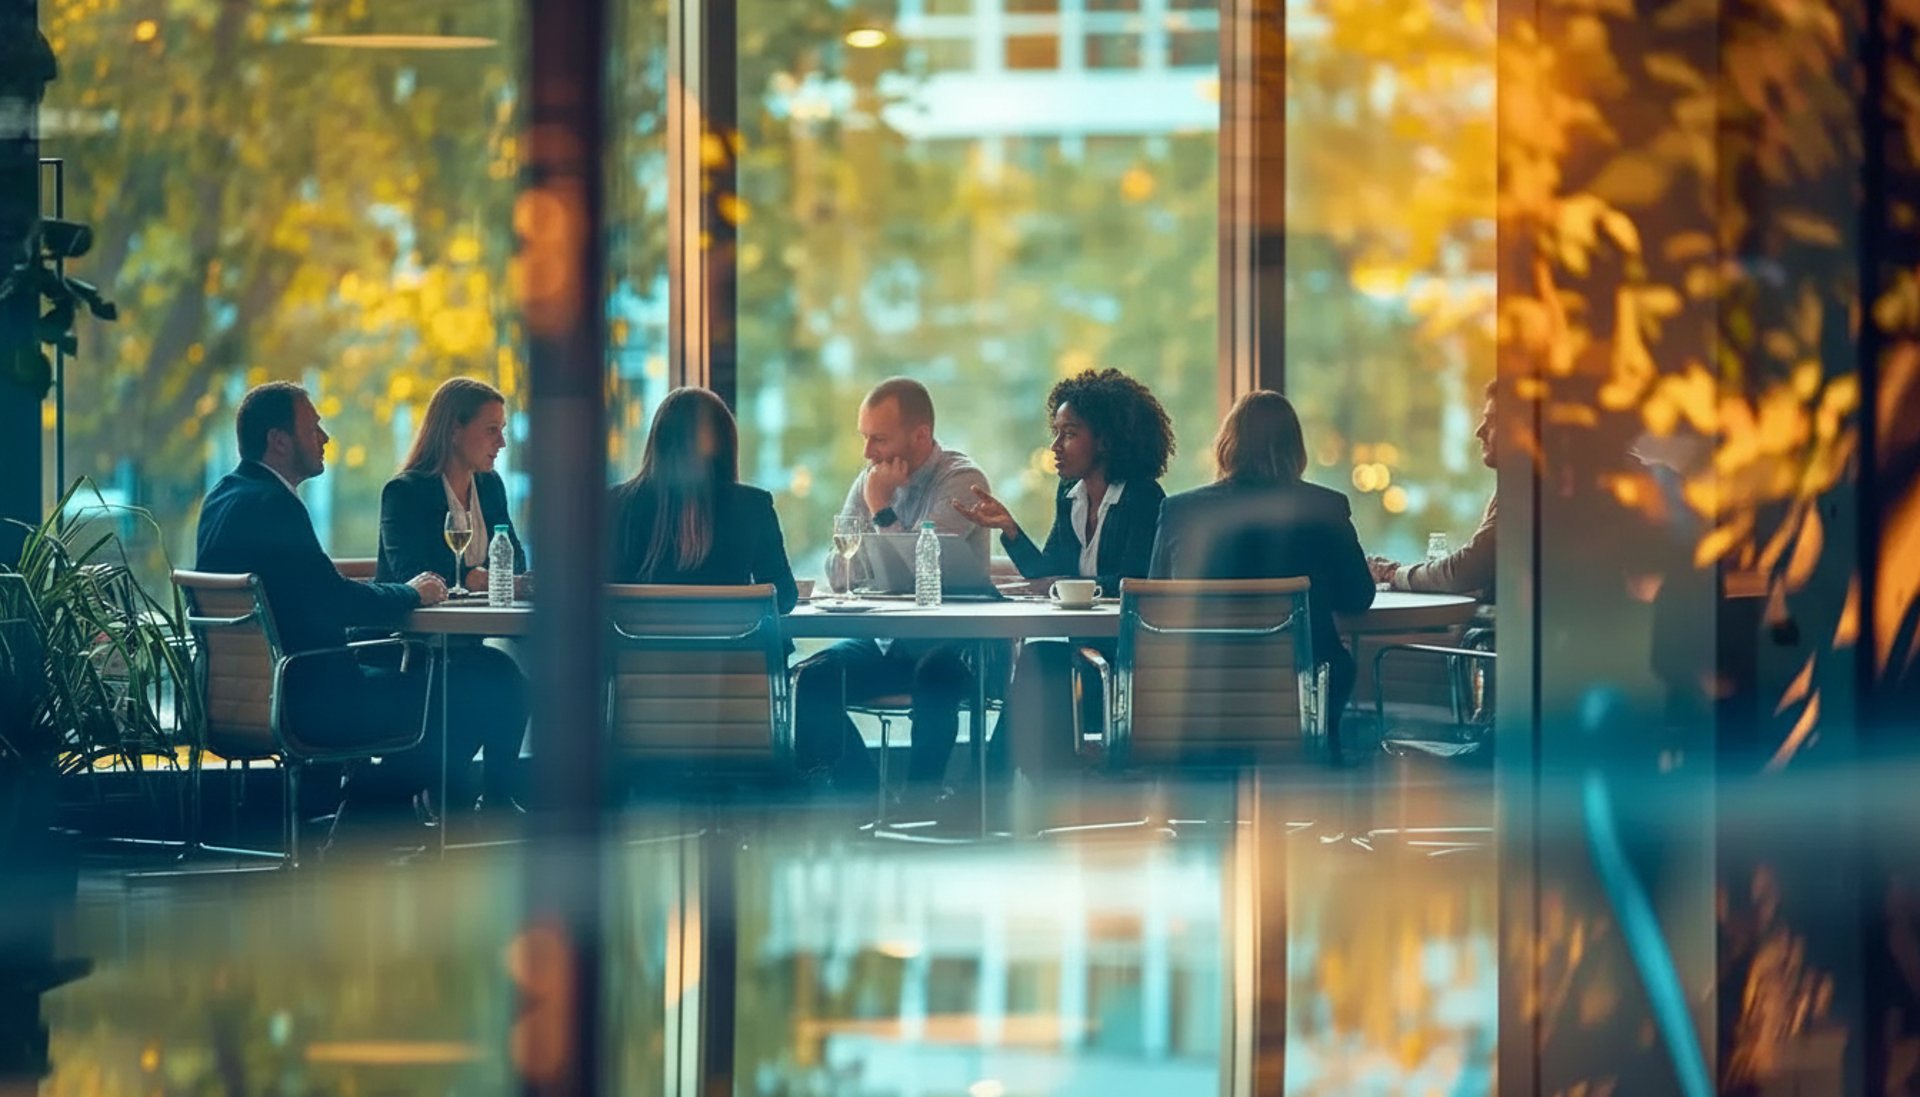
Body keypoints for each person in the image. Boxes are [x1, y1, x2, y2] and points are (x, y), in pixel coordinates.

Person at [196, 382, 449, 827]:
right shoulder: (274, 507)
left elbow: (308, 593)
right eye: (313, 428)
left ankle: (364, 821)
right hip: (312, 699)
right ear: (278, 440)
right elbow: (335, 601)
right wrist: (412, 592)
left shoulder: (224, 497)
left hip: (245, 698)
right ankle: (362, 822)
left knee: (430, 678)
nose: (325, 438)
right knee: (459, 694)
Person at [955, 368, 1174, 775]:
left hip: (1125, 662)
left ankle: (989, 788)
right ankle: (997, 785)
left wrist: (1062, 585)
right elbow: (1049, 572)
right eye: (1056, 432)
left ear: (1106, 440)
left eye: (1069, 434)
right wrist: (1011, 529)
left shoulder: (1144, 498)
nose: (1055, 446)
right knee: (1037, 662)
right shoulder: (1069, 495)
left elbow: (1134, 582)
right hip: (1084, 654)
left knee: (1039, 662)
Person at [791, 377, 993, 797]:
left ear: (920, 436)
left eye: (878, 439)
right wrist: (873, 511)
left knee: (935, 675)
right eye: (865, 438)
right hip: (887, 644)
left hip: (952, 646)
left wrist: (880, 509)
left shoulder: (961, 480)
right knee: (810, 682)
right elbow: (839, 571)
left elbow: (921, 573)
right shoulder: (870, 480)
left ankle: (920, 804)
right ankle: (866, 799)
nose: (867, 453)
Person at [1148, 390, 1376, 731]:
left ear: (1227, 444)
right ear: (1296, 449)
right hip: (1302, 694)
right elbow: (1358, 596)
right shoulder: (1326, 507)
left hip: (1201, 694)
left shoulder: (1181, 511)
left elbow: (1157, 603)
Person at [376, 376, 531, 815]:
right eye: (491, 429)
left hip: (462, 645)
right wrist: (481, 578)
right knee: (502, 682)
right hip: (410, 651)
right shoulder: (405, 493)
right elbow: (412, 576)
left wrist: (504, 577)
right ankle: (469, 797)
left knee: (509, 678)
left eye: (503, 429)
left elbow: (512, 558)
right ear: (454, 430)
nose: (502, 441)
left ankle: (489, 798)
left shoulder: (491, 487)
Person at [609, 387, 798, 611]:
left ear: (658, 441)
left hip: (639, 647)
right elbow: (784, 598)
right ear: (726, 443)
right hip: (733, 646)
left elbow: (600, 597)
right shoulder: (753, 507)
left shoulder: (617, 504)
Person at [1368, 380, 1498, 600]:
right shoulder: (1514, 490)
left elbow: (1463, 571)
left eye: (1493, 422)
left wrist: (1393, 575)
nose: (1479, 432)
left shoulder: (1525, 498)